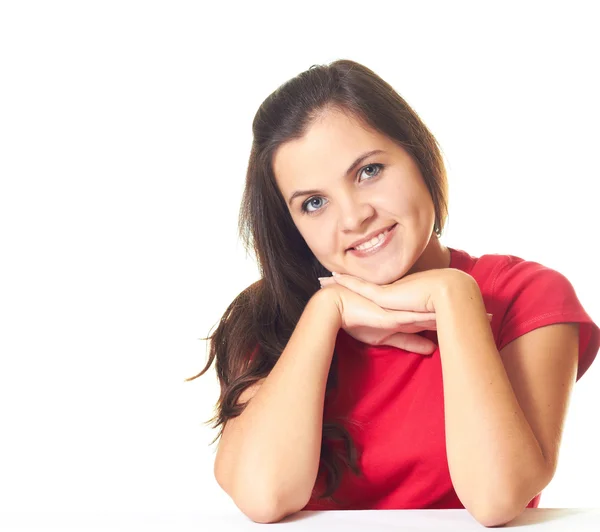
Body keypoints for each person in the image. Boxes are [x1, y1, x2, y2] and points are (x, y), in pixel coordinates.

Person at [187, 59, 600, 526]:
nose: (353, 217)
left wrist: (454, 297)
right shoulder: (270, 316)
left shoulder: (527, 295)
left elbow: (497, 498)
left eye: (369, 171)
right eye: (314, 203)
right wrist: (326, 309)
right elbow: (264, 497)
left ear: (420, 157)